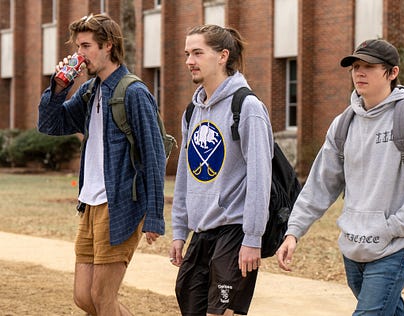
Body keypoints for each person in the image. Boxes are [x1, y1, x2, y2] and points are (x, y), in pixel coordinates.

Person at [277, 39, 404, 315]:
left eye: (369, 66)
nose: (359, 73)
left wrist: (391, 228)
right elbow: (321, 184)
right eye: (355, 67)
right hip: (353, 245)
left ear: (392, 73)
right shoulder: (344, 123)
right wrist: (294, 231)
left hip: (395, 245)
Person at [38, 13, 166, 316]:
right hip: (90, 202)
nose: (78, 55)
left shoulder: (133, 92)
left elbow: (154, 154)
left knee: (102, 296)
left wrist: (154, 216)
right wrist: (58, 88)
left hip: (120, 203)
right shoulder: (89, 90)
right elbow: (49, 124)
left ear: (108, 45)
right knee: (84, 297)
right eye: (77, 47)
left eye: (85, 46)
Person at [169, 24, 273, 316]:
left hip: (234, 232)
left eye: (198, 53)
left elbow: (260, 178)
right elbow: (184, 176)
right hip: (201, 232)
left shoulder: (247, 106)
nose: (189, 60)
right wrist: (179, 230)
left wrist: (253, 238)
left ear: (222, 56)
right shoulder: (192, 111)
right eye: (187, 53)